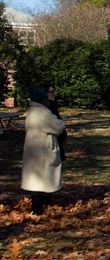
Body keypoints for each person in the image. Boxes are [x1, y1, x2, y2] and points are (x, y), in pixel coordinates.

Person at [21, 86, 65, 215]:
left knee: (38, 179)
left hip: (35, 147)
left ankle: (40, 205)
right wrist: (61, 123)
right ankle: (38, 208)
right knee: (41, 180)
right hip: (43, 149)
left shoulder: (32, 111)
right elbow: (58, 126)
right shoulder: (43, 113)